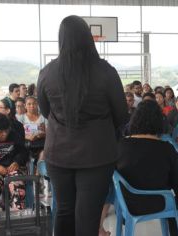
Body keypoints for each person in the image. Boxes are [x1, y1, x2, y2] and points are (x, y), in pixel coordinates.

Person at [37, 15, 128, 236]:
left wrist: (65, 124)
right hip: (97, 154)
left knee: (64, 210)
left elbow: (45, 111)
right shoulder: (106, 71)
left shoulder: (47, 73)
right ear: (89, 38)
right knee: (88, 214)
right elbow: (122, 115)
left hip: (58, 152)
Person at [117, 100, 178, 236]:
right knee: (173, 193)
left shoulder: (120, 145)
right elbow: (175, 181)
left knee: (171, 192)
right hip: (157, 202)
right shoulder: (165, 148)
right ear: (158, 121)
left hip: (126, 202)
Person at [0, 113, 28, 210]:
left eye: (6, 130)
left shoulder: (13, 134)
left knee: (17, 184)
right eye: (0, 132)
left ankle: (17, 213)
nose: (4, 134)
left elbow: (23, 151)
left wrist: (17, 162)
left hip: (13, 169)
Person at [18, 96, 47, 161]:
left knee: (43, 154)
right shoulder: (21, 118)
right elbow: (18, 134)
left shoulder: (43, 117)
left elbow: (48, 133)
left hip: (41, 143)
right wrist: (28, 137)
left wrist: (40, 135)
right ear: (25, 106)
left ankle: (38, 169)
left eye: (34, 103)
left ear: (37, 105)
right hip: (26, 144)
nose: (32, 106)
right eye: (29, 104)